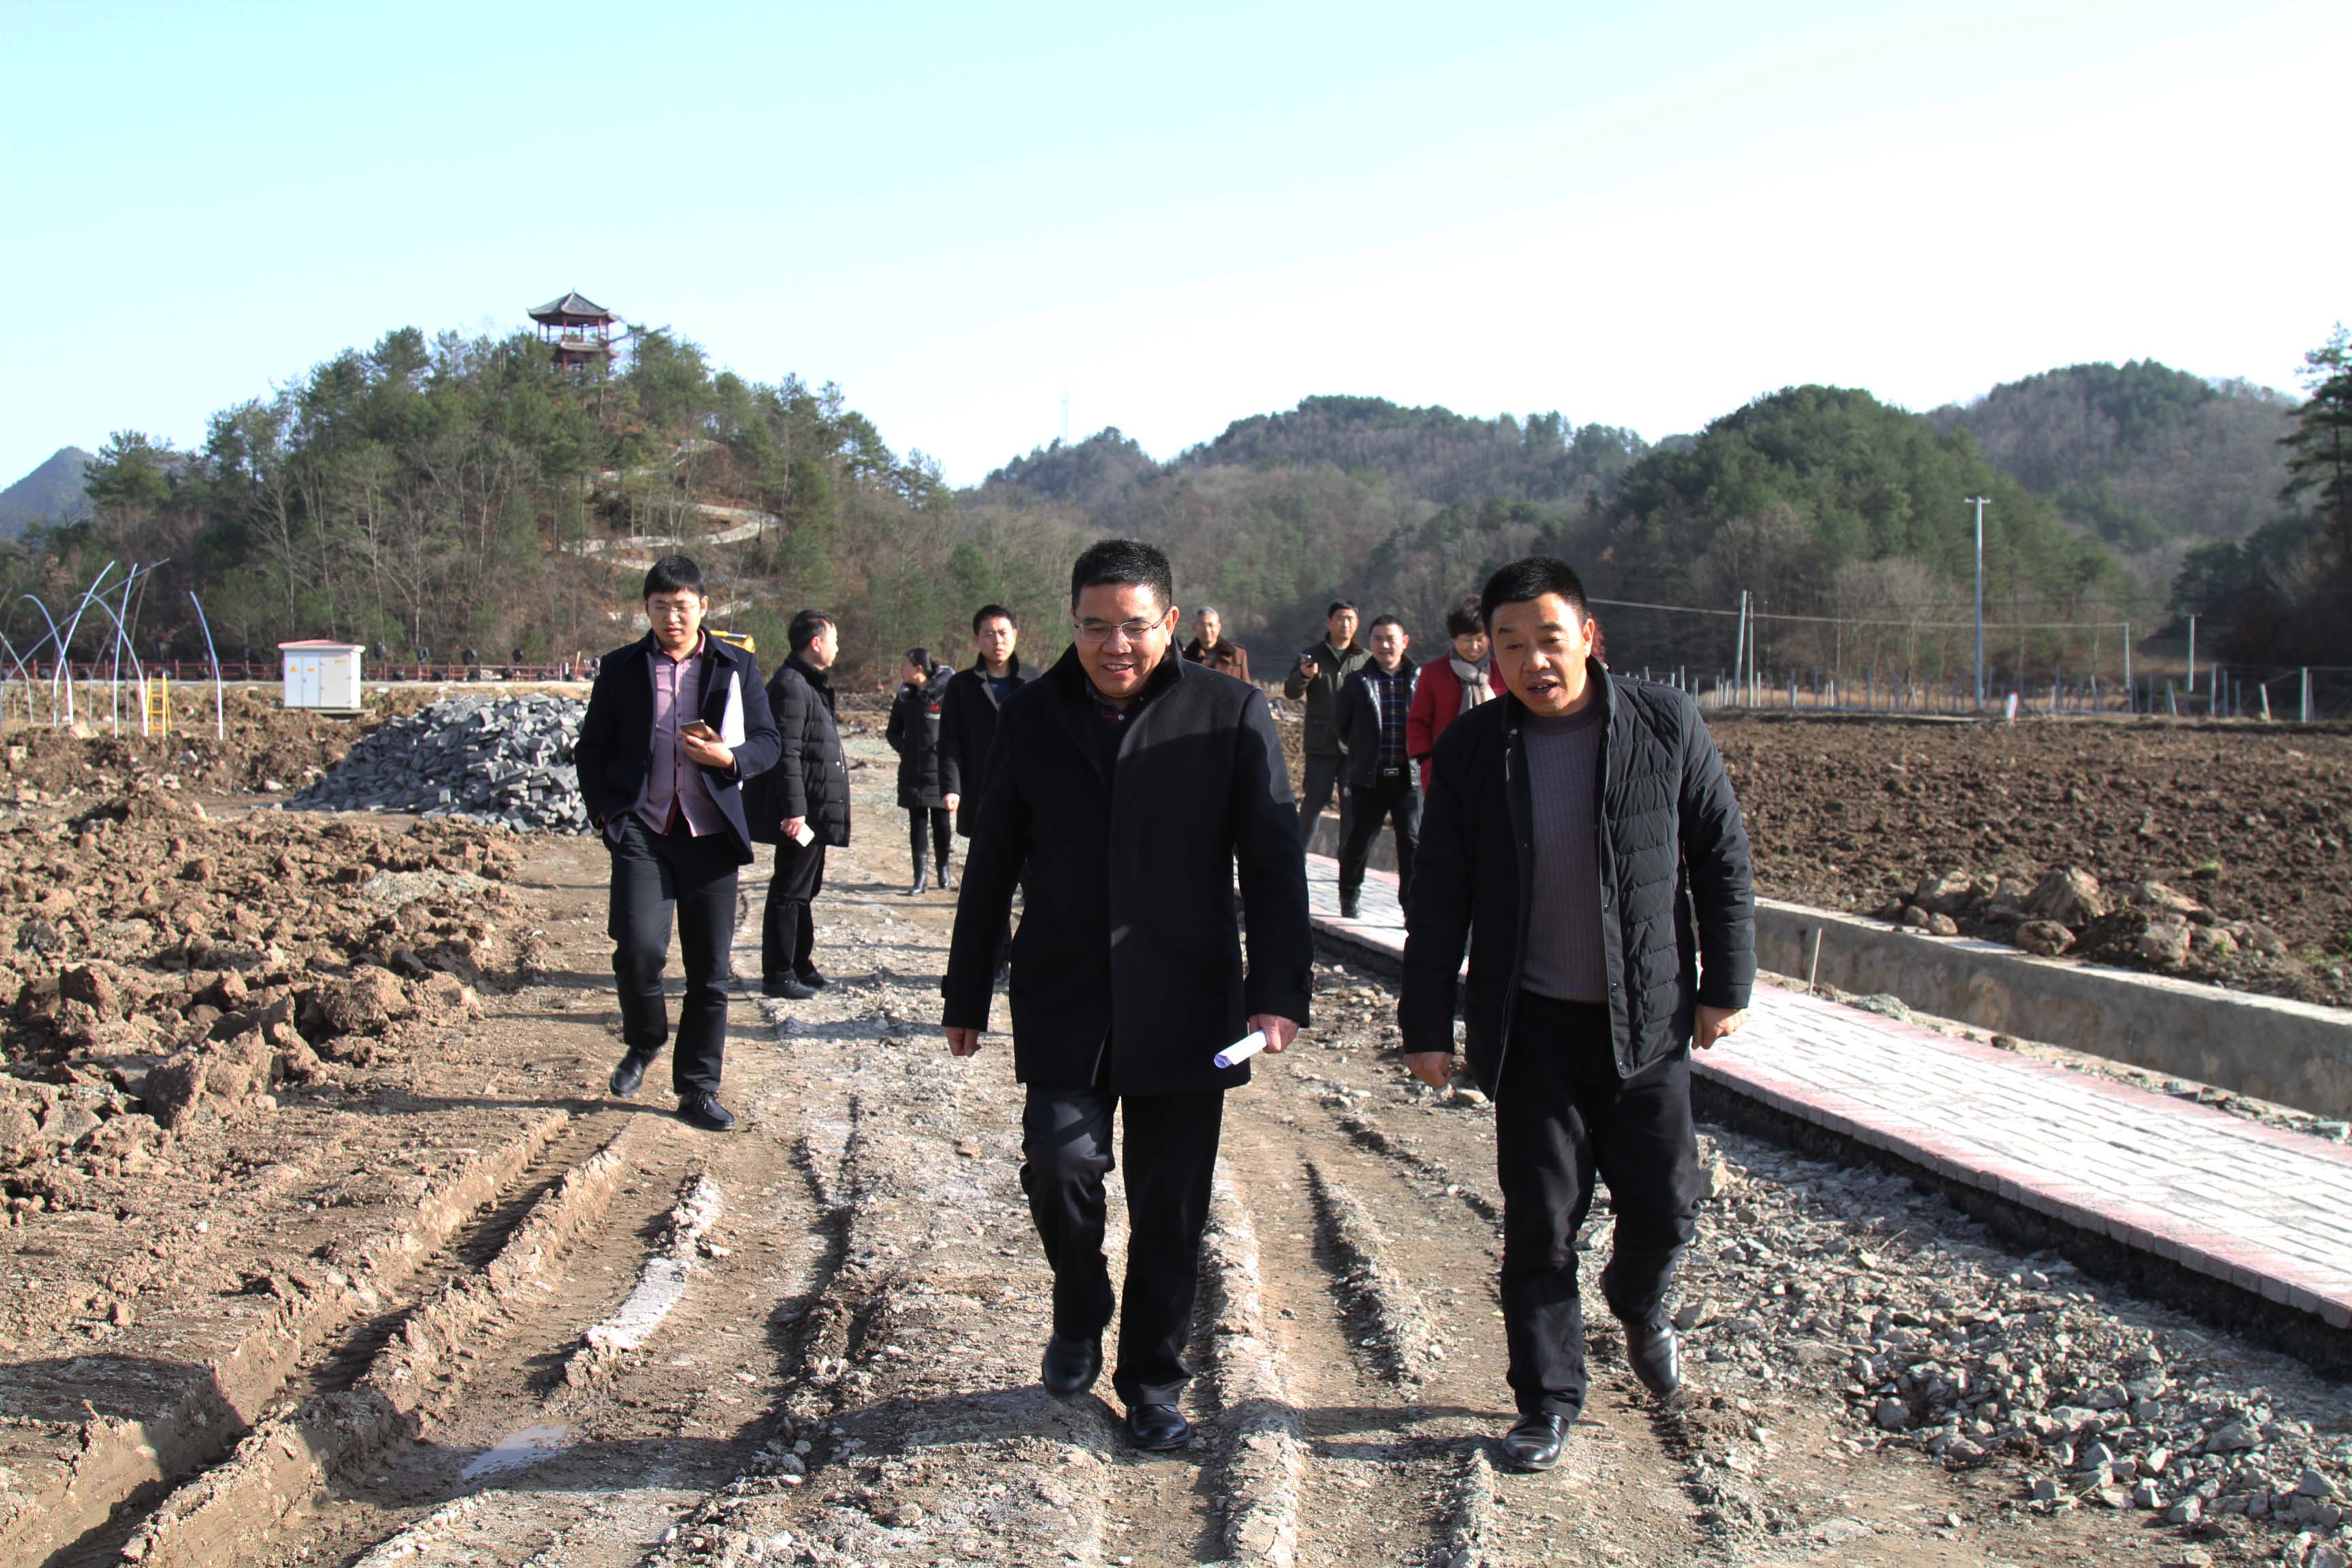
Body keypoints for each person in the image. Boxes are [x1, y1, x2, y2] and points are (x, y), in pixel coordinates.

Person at [941, 539, 1311, 1453]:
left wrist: (1278, 990)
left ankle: (1153, 1381)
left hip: (1188, 995)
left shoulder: (1226, 712)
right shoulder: (1031, 716)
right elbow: (993, 862)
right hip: (1065, 988)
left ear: (1170, 623)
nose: (1116, 645)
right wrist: (967, 989)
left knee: (1171, 1205)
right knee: (1059, 1163)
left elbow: (1272, 863)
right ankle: (1079, 1304)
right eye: (1095, 626)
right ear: (1072, 623)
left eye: (1135, 627)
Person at [1401, 556, 1754, 1475]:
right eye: (1510, 644)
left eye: (1549, 639)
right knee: (1540, 1222)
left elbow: (1720, 857)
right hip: (1533, 1028)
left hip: (1649, 1017)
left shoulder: (1663, 723)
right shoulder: (1474, 749)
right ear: (1492, 652)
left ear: (1589, 637)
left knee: (1667, 1203)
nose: (1533, 661)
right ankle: (1547, 1401)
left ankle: (1637, 1299)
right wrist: (1427, 1024)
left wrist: (1727, 985)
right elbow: (1439, 895)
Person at [572, 554, 783, 1133]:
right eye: (660, 607)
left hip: (710, 835)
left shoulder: (735, 665)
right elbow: (591, 748)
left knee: (708, 972)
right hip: (643, 828)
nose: (672, 617)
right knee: (638, 949)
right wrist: (604, 814)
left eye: (682, 606)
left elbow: (768, 742)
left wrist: (730, 759)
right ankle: (645, 1038)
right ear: (646, 609)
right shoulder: (621, 668)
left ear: (704, 607)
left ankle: (698, 1088)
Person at [748, 610, 849, 1001]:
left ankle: (800, 963)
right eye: (834, 639)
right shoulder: (791, 686)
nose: (837, 647)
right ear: (815, 643)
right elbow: (785, 753)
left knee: (806, 889)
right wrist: (795, 810)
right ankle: (778, 973)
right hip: (801, 811)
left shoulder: (809, 684)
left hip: (813, 807)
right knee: (789, 890)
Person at [1331, 615, 1420, 919]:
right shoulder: (1357, 681)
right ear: (1370, 643)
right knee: (1361, 839)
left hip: (1409, 776)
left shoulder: (1419, 679)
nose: (1385, 645)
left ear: (1404, 642)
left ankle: (1411, 906)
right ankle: (1349, 895)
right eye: (1378, 639)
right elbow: (1341, 725)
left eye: (1391, 639)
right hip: (1370, 776)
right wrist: (1362, 751)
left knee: (1411, 842)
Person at [938, 604, 1041, 839]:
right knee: (985, 855)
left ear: (1015, 635)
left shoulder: (1034, 680)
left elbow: (1048, 737)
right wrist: (951, 788)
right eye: (989, 634)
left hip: (1026, 789)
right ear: (976, 639)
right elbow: (949, 741)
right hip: (978, 787)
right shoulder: (961, 685)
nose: (998, 641)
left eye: (1003, 633)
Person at [1281, 600, 1370, 850]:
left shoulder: (1365, 659)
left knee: (1351, 805)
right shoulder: (1312, 656)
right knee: (1314, 802)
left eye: (1350, 619)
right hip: (1321, 743)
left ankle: (1348, 863)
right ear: (1329, 622)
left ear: (1357, 624)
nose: (1345, 624)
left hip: (1354, 745)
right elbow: (1290, 692)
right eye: (1340, 618)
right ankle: (1297, 856)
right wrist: (1304, 676)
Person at [1406, 595, 1494, 792]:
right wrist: (1426, 761)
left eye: (1480, 639)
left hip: (1493, 769)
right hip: (1445, 769)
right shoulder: (1434, 673)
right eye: (1467, 640)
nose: (1474, 647)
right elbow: (1417, 722)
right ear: (1454, 639)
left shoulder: (1502, 672)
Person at [886, 647, 957, 895]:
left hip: (939, 771)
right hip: (912, 771)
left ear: (918, 669)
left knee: (942, 822)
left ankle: (944, 871)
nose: (901, 670)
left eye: (904, 665)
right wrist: (905, 748)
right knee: (917, 823)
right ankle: (920, 878)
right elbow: (892, 732)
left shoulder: (945, 694)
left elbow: (957, 730)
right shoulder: (905, 696)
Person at [1181, 606, 1250, 682]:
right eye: (1202, 625)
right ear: (1194, 627)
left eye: (1211, 625)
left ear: (1219, 627)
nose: (1207, 630)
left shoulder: (1237, 654)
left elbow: (1247, 685)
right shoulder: (1186, 659)